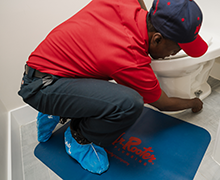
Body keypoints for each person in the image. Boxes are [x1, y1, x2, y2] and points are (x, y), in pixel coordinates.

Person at [18, 0, 208, 174]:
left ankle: (58, 107)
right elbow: (163, 103)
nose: (174, 54)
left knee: (104, 76)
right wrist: (193, 102)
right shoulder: (131, 59)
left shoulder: (124, 4)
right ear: (157, 39)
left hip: (44, 70)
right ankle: (78, 138)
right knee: (129, 103)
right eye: (176, 49)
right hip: (40, 89)